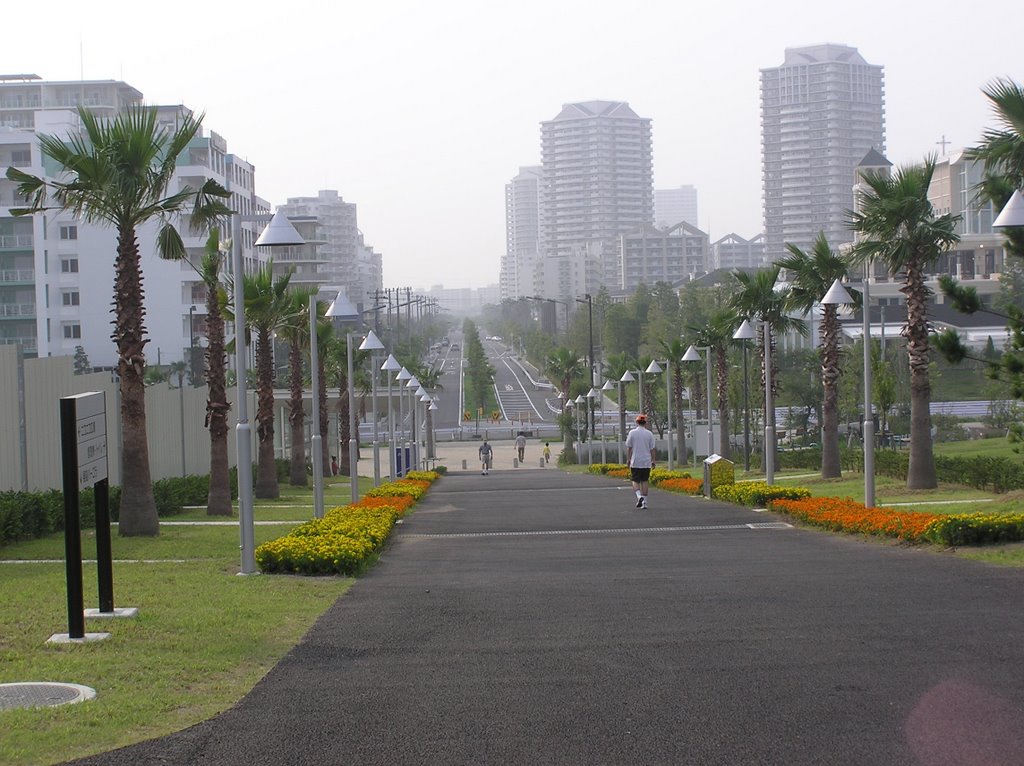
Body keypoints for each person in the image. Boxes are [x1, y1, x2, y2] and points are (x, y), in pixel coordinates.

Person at [625, 414, 656, 509]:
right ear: (645, 423)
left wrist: (628, 459)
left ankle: (639, 496)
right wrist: (653, 460)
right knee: (644, 481)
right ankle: (645, 503)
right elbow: (652, 449)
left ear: (637, 422)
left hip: (636, 460)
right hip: (646, 461)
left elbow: (629, 447)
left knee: (635, 480)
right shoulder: (649, 434)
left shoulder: (632, 433)